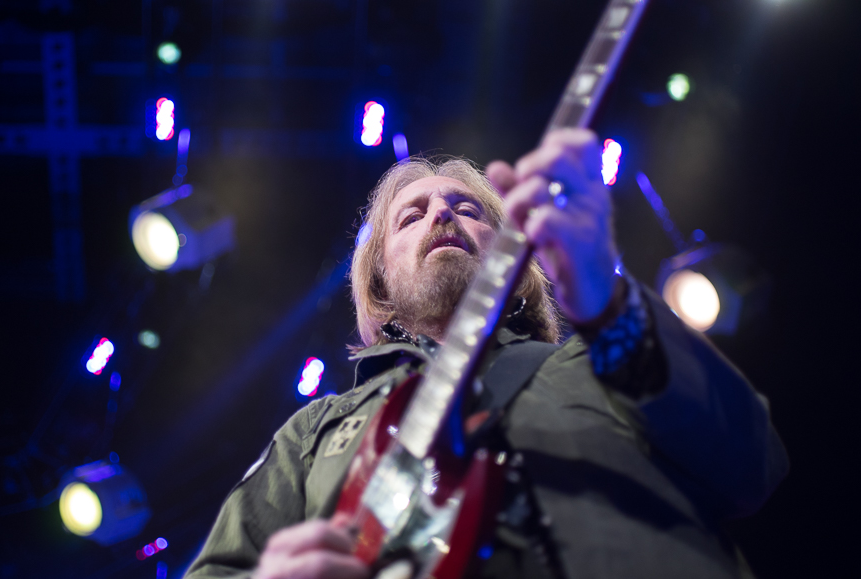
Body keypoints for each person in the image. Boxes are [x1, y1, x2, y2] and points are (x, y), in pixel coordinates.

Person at [185, 129, 788, 579]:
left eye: (467, 209)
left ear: (515, 258)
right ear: (379, 284)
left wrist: (612, 306)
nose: (441, 214)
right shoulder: (315, 432)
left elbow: (751, 463)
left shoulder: (609, 355)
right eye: (411, 217)